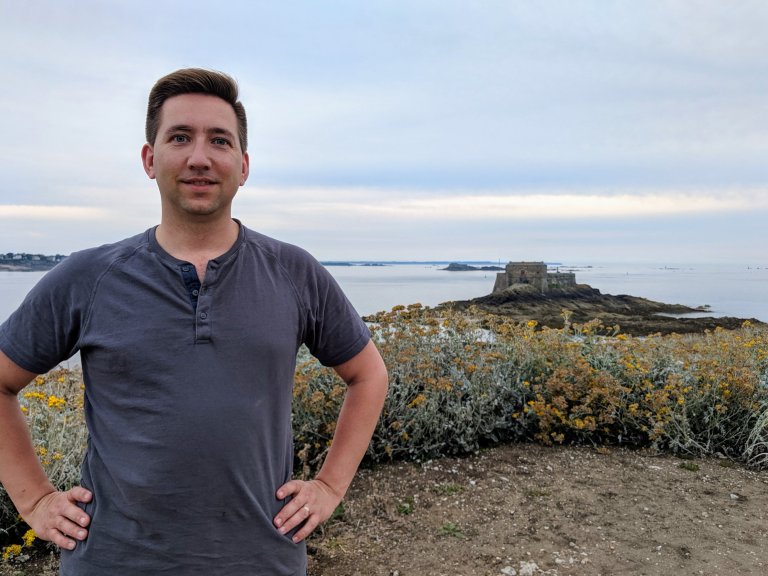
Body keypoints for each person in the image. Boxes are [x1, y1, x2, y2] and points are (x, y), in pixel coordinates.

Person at [0, 68, 388, 575]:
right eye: (180, 137)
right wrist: (34, 500)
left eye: (219, 140)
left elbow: (368, 375)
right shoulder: (89, 277)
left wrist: (330, 486)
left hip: (261, 560)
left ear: (243, 166)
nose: (200, 157)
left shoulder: (294, 272)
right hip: (114, 561)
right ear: (150, 159)